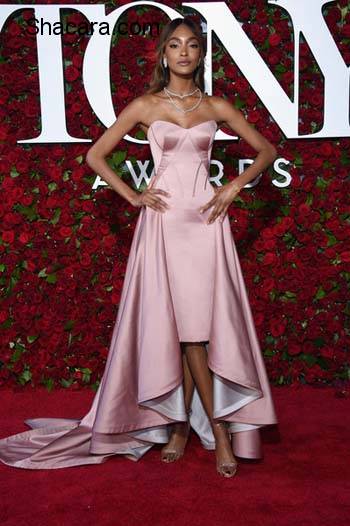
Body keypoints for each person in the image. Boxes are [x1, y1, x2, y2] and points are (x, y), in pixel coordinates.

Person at [0, 17, 278, 478]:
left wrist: (232, 187)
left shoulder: (216, 105)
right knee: (187, 332)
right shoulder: (146, 105)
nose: (184, 52)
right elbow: (94, 155)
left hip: (207, 224)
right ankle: (218, 434)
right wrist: (134, 196)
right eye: (175, 45)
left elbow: (266, 150)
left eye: (191, 45)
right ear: (163, 55)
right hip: (166, 225)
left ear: (201, 54)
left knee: (199, 329)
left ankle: (183, 431)